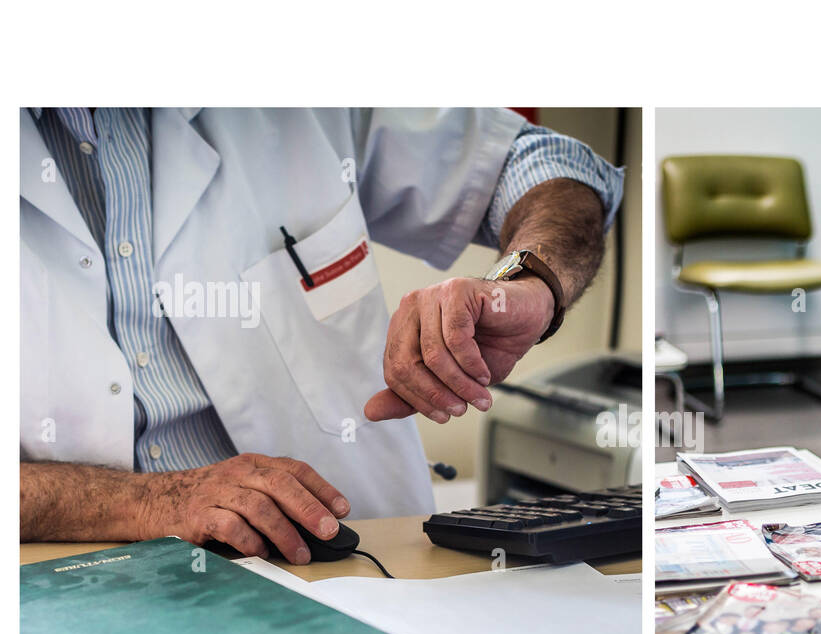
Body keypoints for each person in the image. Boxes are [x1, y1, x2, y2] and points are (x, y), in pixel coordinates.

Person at [20, 108, 622, 563]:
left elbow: (554, 168)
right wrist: (158, 502)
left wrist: (528, 281)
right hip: (73, 590)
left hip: (358, 571)